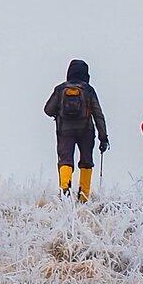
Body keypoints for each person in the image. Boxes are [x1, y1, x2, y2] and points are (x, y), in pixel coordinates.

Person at [43, 58, 110, 202]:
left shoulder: (60, 89)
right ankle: (84, 197)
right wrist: (103, 137)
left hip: (64, 131)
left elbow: (48, 110)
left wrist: (59, 112)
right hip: (86, 130)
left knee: (65, 160)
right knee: (86, 161)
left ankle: (65, 191)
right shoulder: (88, 90)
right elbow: (98, 114)